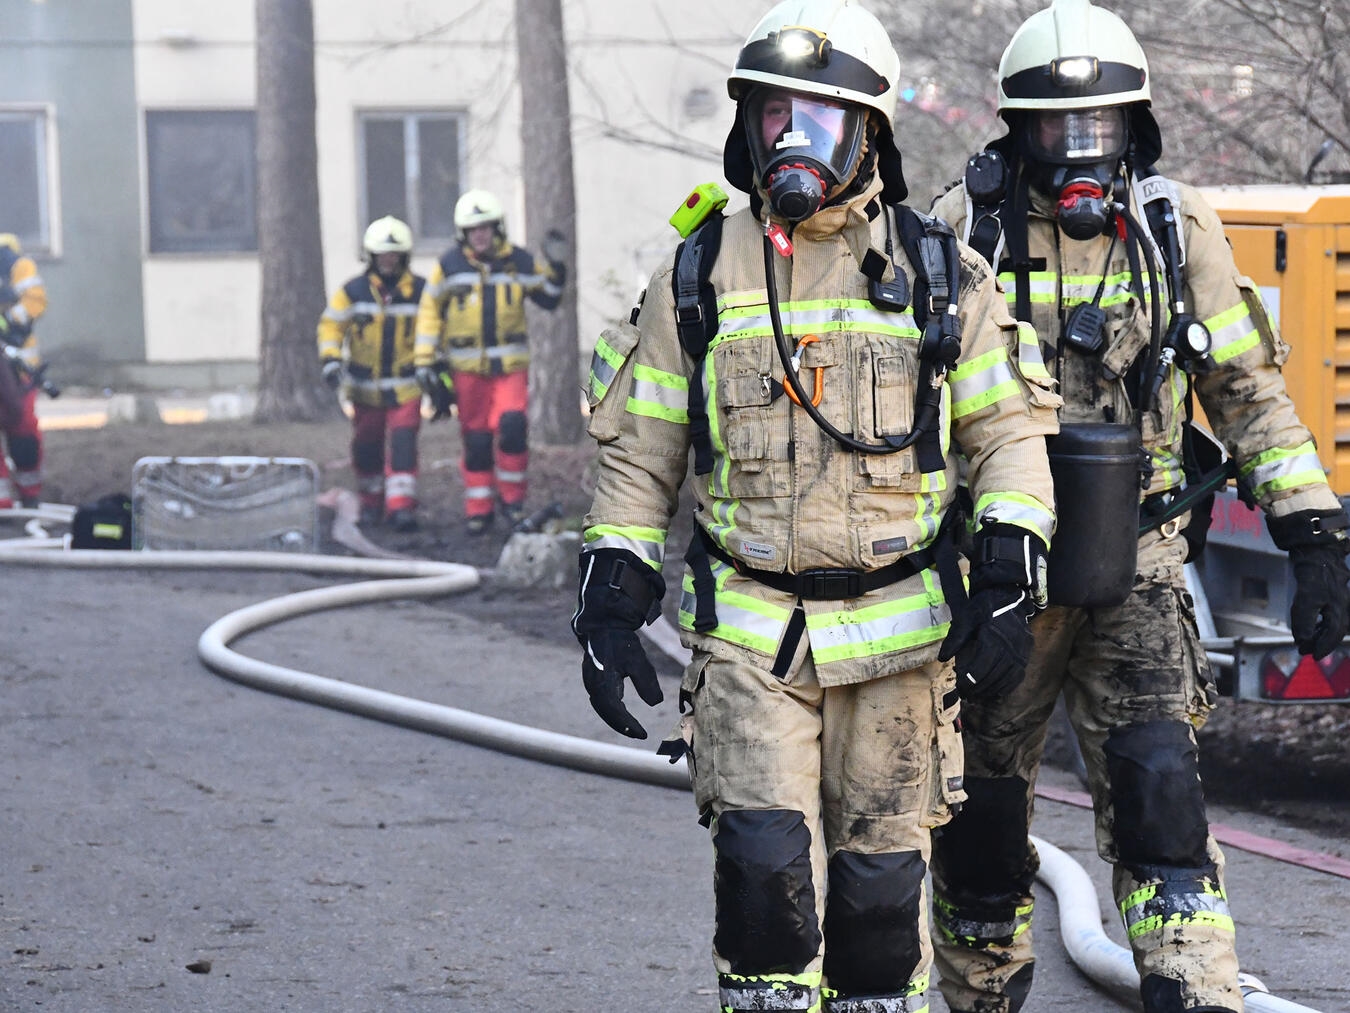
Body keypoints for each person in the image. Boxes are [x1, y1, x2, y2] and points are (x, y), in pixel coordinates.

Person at [571, 2, 1062, 1009]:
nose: (792, 141)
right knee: (762, 881)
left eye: (820, 119)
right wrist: (612, 589)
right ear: (747, 129)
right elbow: (642, 450)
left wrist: (1011, 566)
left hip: (900, 643)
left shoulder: (942, 276)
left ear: (869, 134)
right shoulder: (697, 272)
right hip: (751, 639)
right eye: (774, 117)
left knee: (880, 907)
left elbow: (1008, 436)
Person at [927, 2, 1350, 1011]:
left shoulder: (1172, 227)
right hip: (1006, 575)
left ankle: (1193, 990)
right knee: (981, 814)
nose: (1080, 150)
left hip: (1142, 562)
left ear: (1134, 127)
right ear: (1018, 130)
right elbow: (912, 411)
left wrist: (1313, 532)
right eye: (1056, 127)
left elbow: (1247, 392)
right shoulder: (962, 231)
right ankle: (982, 994)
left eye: (1100, 126)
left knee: (1161, 788)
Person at [414, 189, 566, 535]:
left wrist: (557, 268)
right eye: (473, 229)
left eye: (484, 227)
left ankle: (512, 502)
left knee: (513, 428)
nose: (479, 235)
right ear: (463, 233)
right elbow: (429, 312)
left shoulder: (519, 261)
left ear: (496, 228)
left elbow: (549, 298)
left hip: (510, 368)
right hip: (467, 370)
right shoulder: (449, 266)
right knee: (477, 440)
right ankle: (479, 508)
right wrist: (424, 360)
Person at [317, 215, 430, 532]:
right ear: (371, 256)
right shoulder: (353, 291)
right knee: (366, 446)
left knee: (403, 443)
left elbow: (436, 329)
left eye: (394, 255)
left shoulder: (422, 291)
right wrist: (331, 359)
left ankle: (401, 506)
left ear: (404, 256)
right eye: (382, 255)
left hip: (407, 386)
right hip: (364, 388)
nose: (388, 260)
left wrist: (436, 371)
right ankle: (370, 503)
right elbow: (331, 325)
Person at [0, 233, 48, 509]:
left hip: (19, 371)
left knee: (24, 434)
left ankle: (28, 497)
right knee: (23, 432)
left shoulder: (17, 265)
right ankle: (6, 502)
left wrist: (8, 319)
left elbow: (35, 302)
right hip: (18, 370)